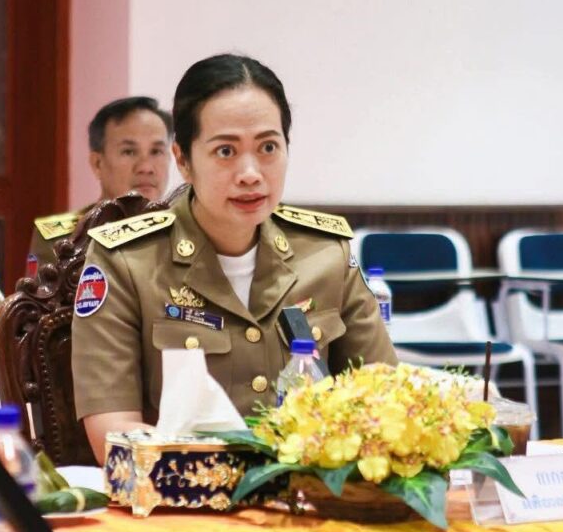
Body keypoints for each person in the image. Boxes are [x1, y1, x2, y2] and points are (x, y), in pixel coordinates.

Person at [72, 54, 397, 461]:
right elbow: (113, 433)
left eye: (268, 147)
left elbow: (385, 399)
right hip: (183, 496)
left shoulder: (326, 254)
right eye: (225, 151)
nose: (250, 173)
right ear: (183, 160)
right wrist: (248, 474)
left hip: (312, 493)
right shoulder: (126, 261)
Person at [26, 96, 173, 276]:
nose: (146, 167)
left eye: (156, 151)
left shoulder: (187, 231)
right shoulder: (61, 239)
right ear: (97, 164)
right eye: (129, 152)